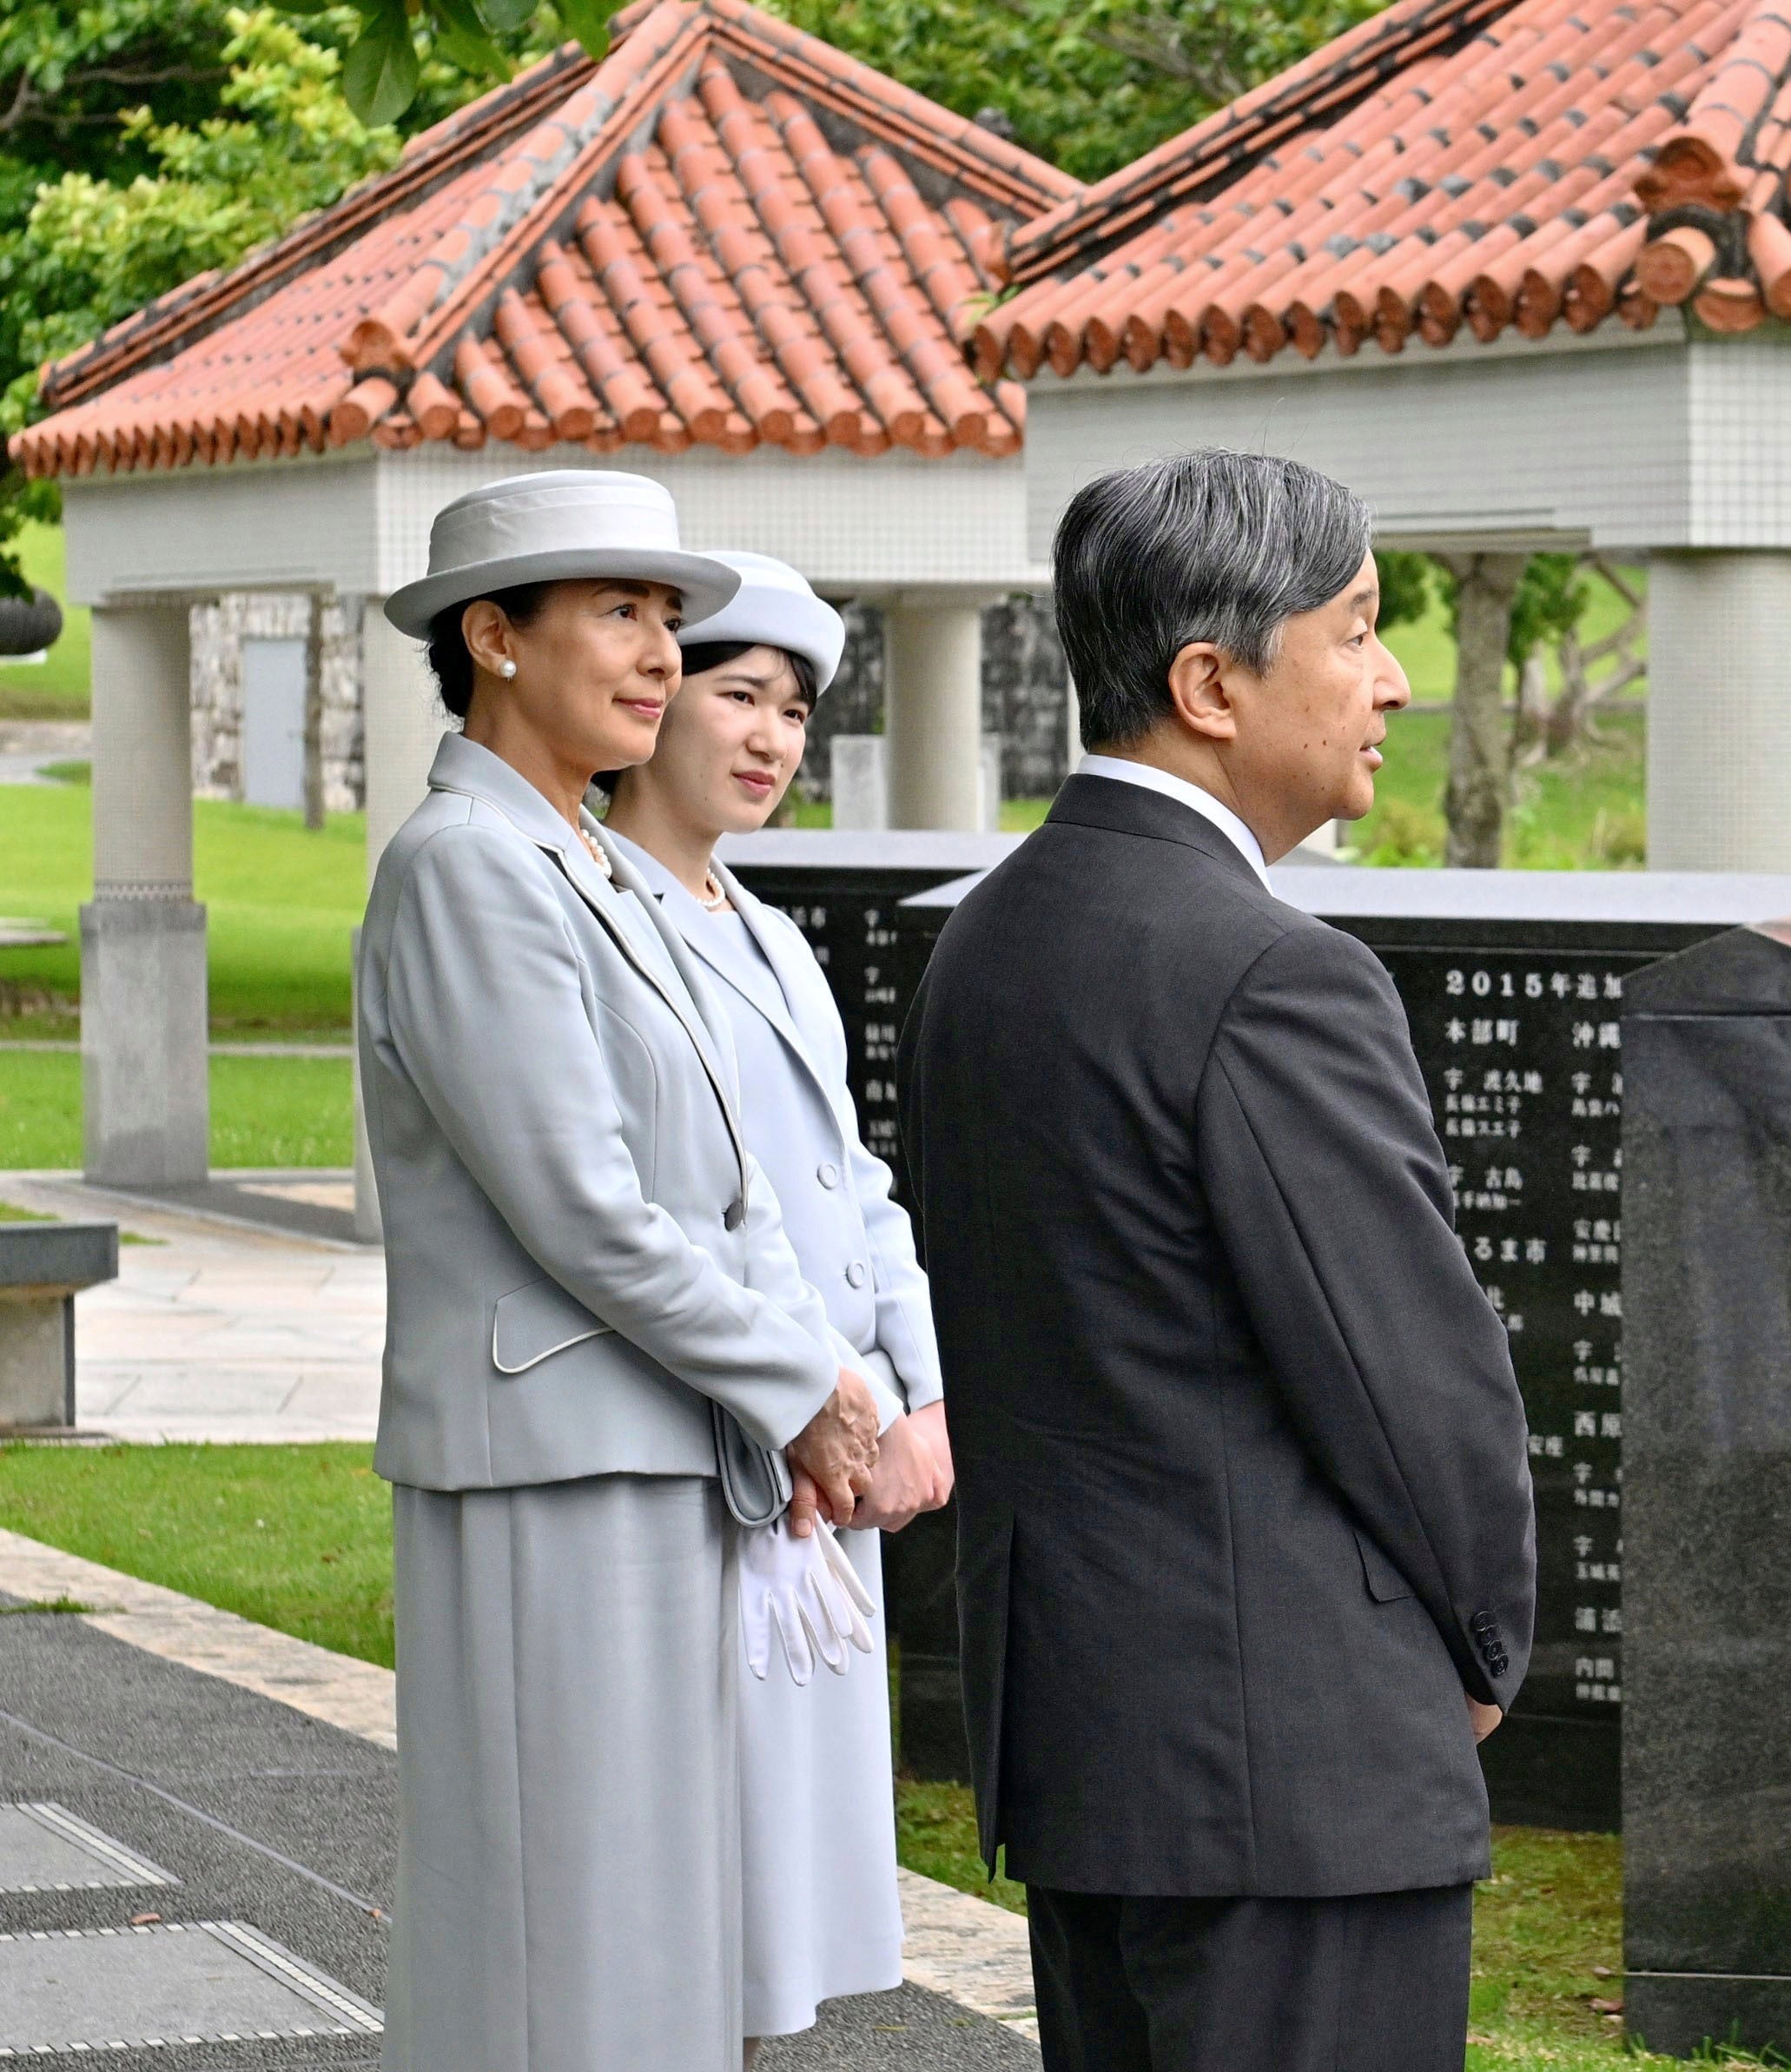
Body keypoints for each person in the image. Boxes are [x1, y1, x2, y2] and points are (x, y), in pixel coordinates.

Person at [900, 450, 1537, 2072]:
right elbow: (1405, 1375)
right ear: (1211, 684)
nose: (1392, 680)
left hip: (1092, 1741)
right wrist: (1481, 1643)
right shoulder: (1270, 973)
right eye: (1356, 629)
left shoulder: (987, 937)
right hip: (1294, 1763)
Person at [360, 472, 882, 2072]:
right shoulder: (467, 863)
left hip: (651, 1448)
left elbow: (722, 1190)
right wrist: (801, 1385)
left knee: (648, 1930)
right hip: (548, 1465)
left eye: (668, 617)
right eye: (619, 612)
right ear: (494, 638)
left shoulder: (580, 863)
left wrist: (814, 1378)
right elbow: (584, 1207)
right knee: (554, 1929)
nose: (661, 653)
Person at [595, 551, 955, 2065]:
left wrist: (921, 1393)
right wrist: (819, 1403)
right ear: (658, 697)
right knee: (690, 1884)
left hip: (836, 1449)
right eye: (738, 694)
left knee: (780, 1905)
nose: (769, 738)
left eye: (794, 712)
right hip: (737, 1450)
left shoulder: (770, 933)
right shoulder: (590, 913)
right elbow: (658, 1218)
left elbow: (851, 1185)